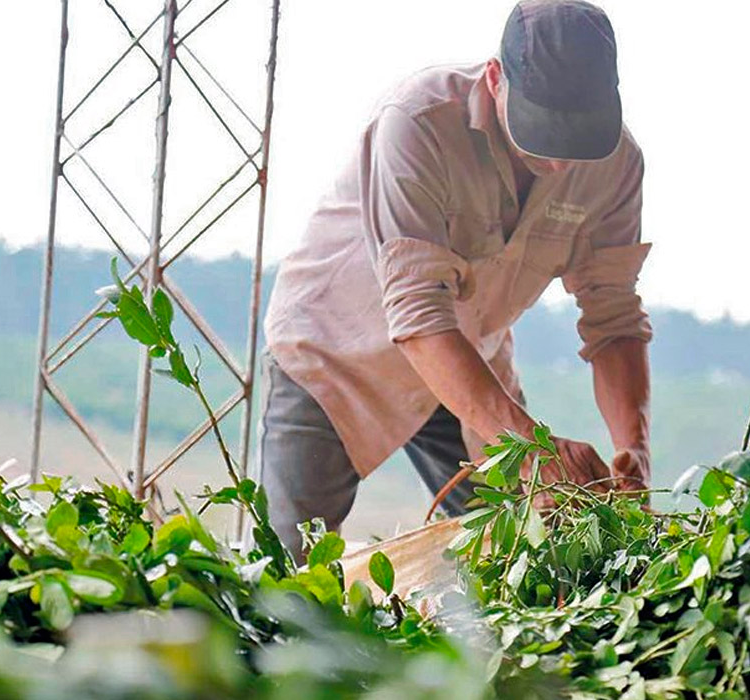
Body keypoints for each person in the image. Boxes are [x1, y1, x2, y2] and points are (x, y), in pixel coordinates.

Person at [261, 0, 652, 556]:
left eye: (578, 139)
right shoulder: (417, 122)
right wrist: (531, 447)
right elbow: (419, 314)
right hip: (337, 353)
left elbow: (613, 315)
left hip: (471, 360)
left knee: (525, 557)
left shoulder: (616, 164)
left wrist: (634, 450)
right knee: (289, 571)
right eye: (543, 133)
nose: (561, 162)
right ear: (495, 79)